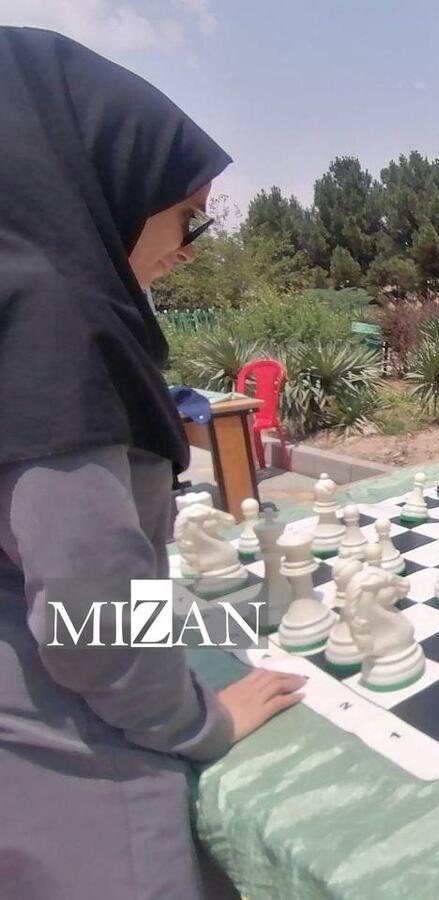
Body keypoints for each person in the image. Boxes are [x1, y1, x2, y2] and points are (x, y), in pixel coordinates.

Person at [0, 28, 303, 900]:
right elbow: (89, 610)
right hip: (76, 763)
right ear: (109, 180)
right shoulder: (54, 322)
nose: (192, 244)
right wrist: (200, 720)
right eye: (187, 214)